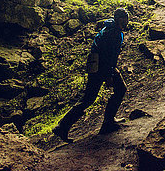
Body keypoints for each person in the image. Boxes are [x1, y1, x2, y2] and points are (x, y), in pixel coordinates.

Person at [53, 8, 129, 142]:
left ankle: (63, 126)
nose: (127, 21)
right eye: (125, 18)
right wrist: (109, 75)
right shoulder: (114, 33)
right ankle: (107, 123)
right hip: (102, 67)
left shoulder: (109, 28)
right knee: (117, 90)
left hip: (96, 66)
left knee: (88, 98)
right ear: (119, 19)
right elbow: (108, 56)